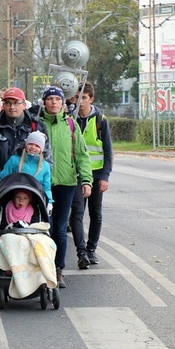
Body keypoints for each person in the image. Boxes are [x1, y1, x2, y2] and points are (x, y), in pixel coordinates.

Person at [0, 87, 49, 274]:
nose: (12, 107)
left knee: (30, 223)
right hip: (0, 183)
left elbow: (46, 155)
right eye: (8, 103)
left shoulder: (36, 125)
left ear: (23, 104)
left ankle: (28, 258)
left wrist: (36, 179)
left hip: (29, 186)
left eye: (16, 103)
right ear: (3, 105)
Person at [38, 86, 93, 289]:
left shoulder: (70, 124)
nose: (53, 102)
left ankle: (58, 269)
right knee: (42, 229)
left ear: (63, 102)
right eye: (50, 99)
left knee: (60, 229)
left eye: (57, 99)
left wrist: (86, 180)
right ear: (44, 102)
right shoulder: (37, 124)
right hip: (41, 185)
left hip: (66, 184)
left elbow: (81, 154)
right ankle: (42, 269)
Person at [69, 82, 113, 270]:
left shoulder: (100, 120)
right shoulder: (69, 119)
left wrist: (105, 176)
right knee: (77, 213)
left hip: (96, 174)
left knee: (95, 213)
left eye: (83, 98)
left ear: (91, 99)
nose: (80, 101)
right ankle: (82, 253)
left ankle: (91, 249)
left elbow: (108, 150)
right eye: (76, 98)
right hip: (76, 174)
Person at [0, 131, 53, 205]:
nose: (33, 147)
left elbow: (46, 187)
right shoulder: (14, 160)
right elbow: (2, 179)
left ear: (41, 149)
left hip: (34, 202)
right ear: (26, 145)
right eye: (30, 144)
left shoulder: (45, 166)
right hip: (13, 199)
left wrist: (49, 202)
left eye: (37, 146)